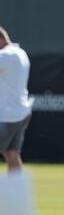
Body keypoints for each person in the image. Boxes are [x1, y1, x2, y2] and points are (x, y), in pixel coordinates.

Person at [0, 26, 32, 173]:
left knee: (11, 154)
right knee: (12, 154)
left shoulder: (7, 55)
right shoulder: (21, 52)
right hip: (21, 113)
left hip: (8, 116)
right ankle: (18, 195)